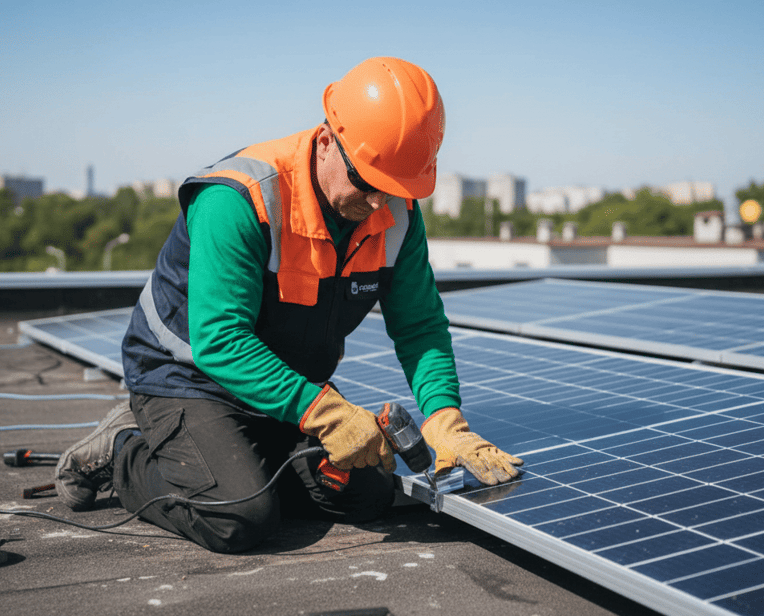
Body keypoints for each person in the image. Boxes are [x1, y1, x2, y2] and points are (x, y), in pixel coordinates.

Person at [55, 57, 523, 553]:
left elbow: (420, 326)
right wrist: (327, 414)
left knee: (365, 495)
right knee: (240, 518)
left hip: (285, 379)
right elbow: (219, 340)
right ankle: (124, 450)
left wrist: (444, 419)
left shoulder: (397, 212)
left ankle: (228, 460)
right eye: (367, 185)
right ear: (327, 142)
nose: (378, 207)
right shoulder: (239, 199)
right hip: (186, 377)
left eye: (393, 191)